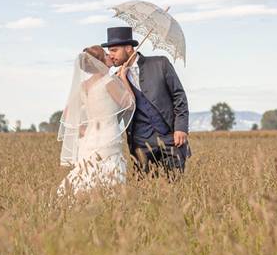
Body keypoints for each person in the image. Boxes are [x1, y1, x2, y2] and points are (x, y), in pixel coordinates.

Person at [103, 26, 191, 179]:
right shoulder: (114, 80)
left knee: (175, 192)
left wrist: (181, 128)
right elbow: (116, 113)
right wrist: (122, 81)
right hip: (140, 145)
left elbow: (179, 96)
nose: (110, 55)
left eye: (114, 50)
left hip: (171, 139)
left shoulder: (160, 64)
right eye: (109, 51)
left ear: (129, 48)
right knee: (146, 194)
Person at [57, 46, 135, 195]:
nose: (110, 57)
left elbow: (67, 115)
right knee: (110, 176)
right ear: (99, 62)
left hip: (89, 138)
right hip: (108, 135)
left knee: (87, 174)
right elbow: (129, 104)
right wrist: (123, 78)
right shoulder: (108, 81)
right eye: (106, 55)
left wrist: (83, 130)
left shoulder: (84, 86)